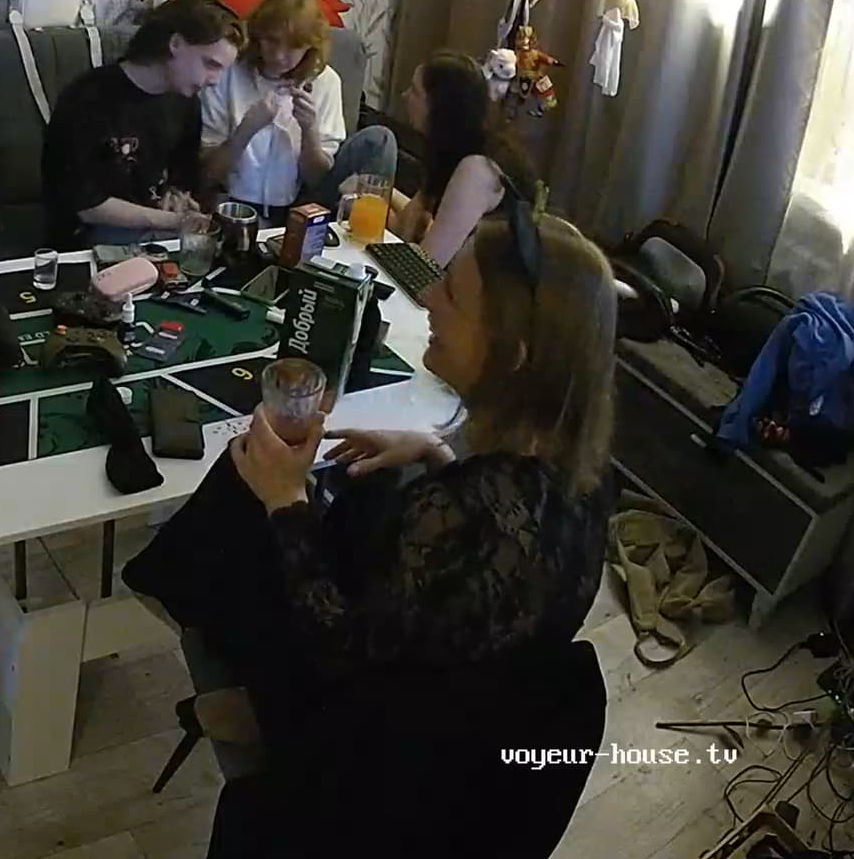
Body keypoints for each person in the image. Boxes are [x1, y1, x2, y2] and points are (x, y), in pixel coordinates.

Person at [124, 212, 617, 857]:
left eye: (453, 294)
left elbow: (337, 647)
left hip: (373, 768)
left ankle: (240, 684)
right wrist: (439, 454)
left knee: (244, 498)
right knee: (368, 485)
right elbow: (497, 563)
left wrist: (285, 499)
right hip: (457, 724)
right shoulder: (586, 482)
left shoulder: (455, 515)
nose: (429, 296)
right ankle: (225, 660)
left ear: (515, 354)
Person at [41, 0, 246, 247]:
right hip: (88, 237)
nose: (215, 81)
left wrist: (176, 195)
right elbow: (86, 206)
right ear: (175, 44)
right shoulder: (87, 99)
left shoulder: (186, 100)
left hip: (152, 231)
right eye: (210, 64)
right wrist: (174, 221)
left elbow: (182, 176)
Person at [198, 0, 395, 225]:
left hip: (301, 204)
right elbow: (208, 174)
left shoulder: (326, 82)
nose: (279, 55)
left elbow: (317, 179)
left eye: (293, 46)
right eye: (272, 40)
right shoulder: (227, 72)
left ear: (310, 46)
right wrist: (246, 130)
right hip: (232, 203)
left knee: (380, 138)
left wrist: (309, 130)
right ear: (257, 35)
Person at [392, 48, 539, 267]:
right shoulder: (450, 148)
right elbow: (406, 227)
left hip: (489, 283)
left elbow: (425, 267)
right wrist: (376, 195)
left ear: (440, 107)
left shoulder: (478, 169)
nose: (405, 96)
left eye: (414, 91)